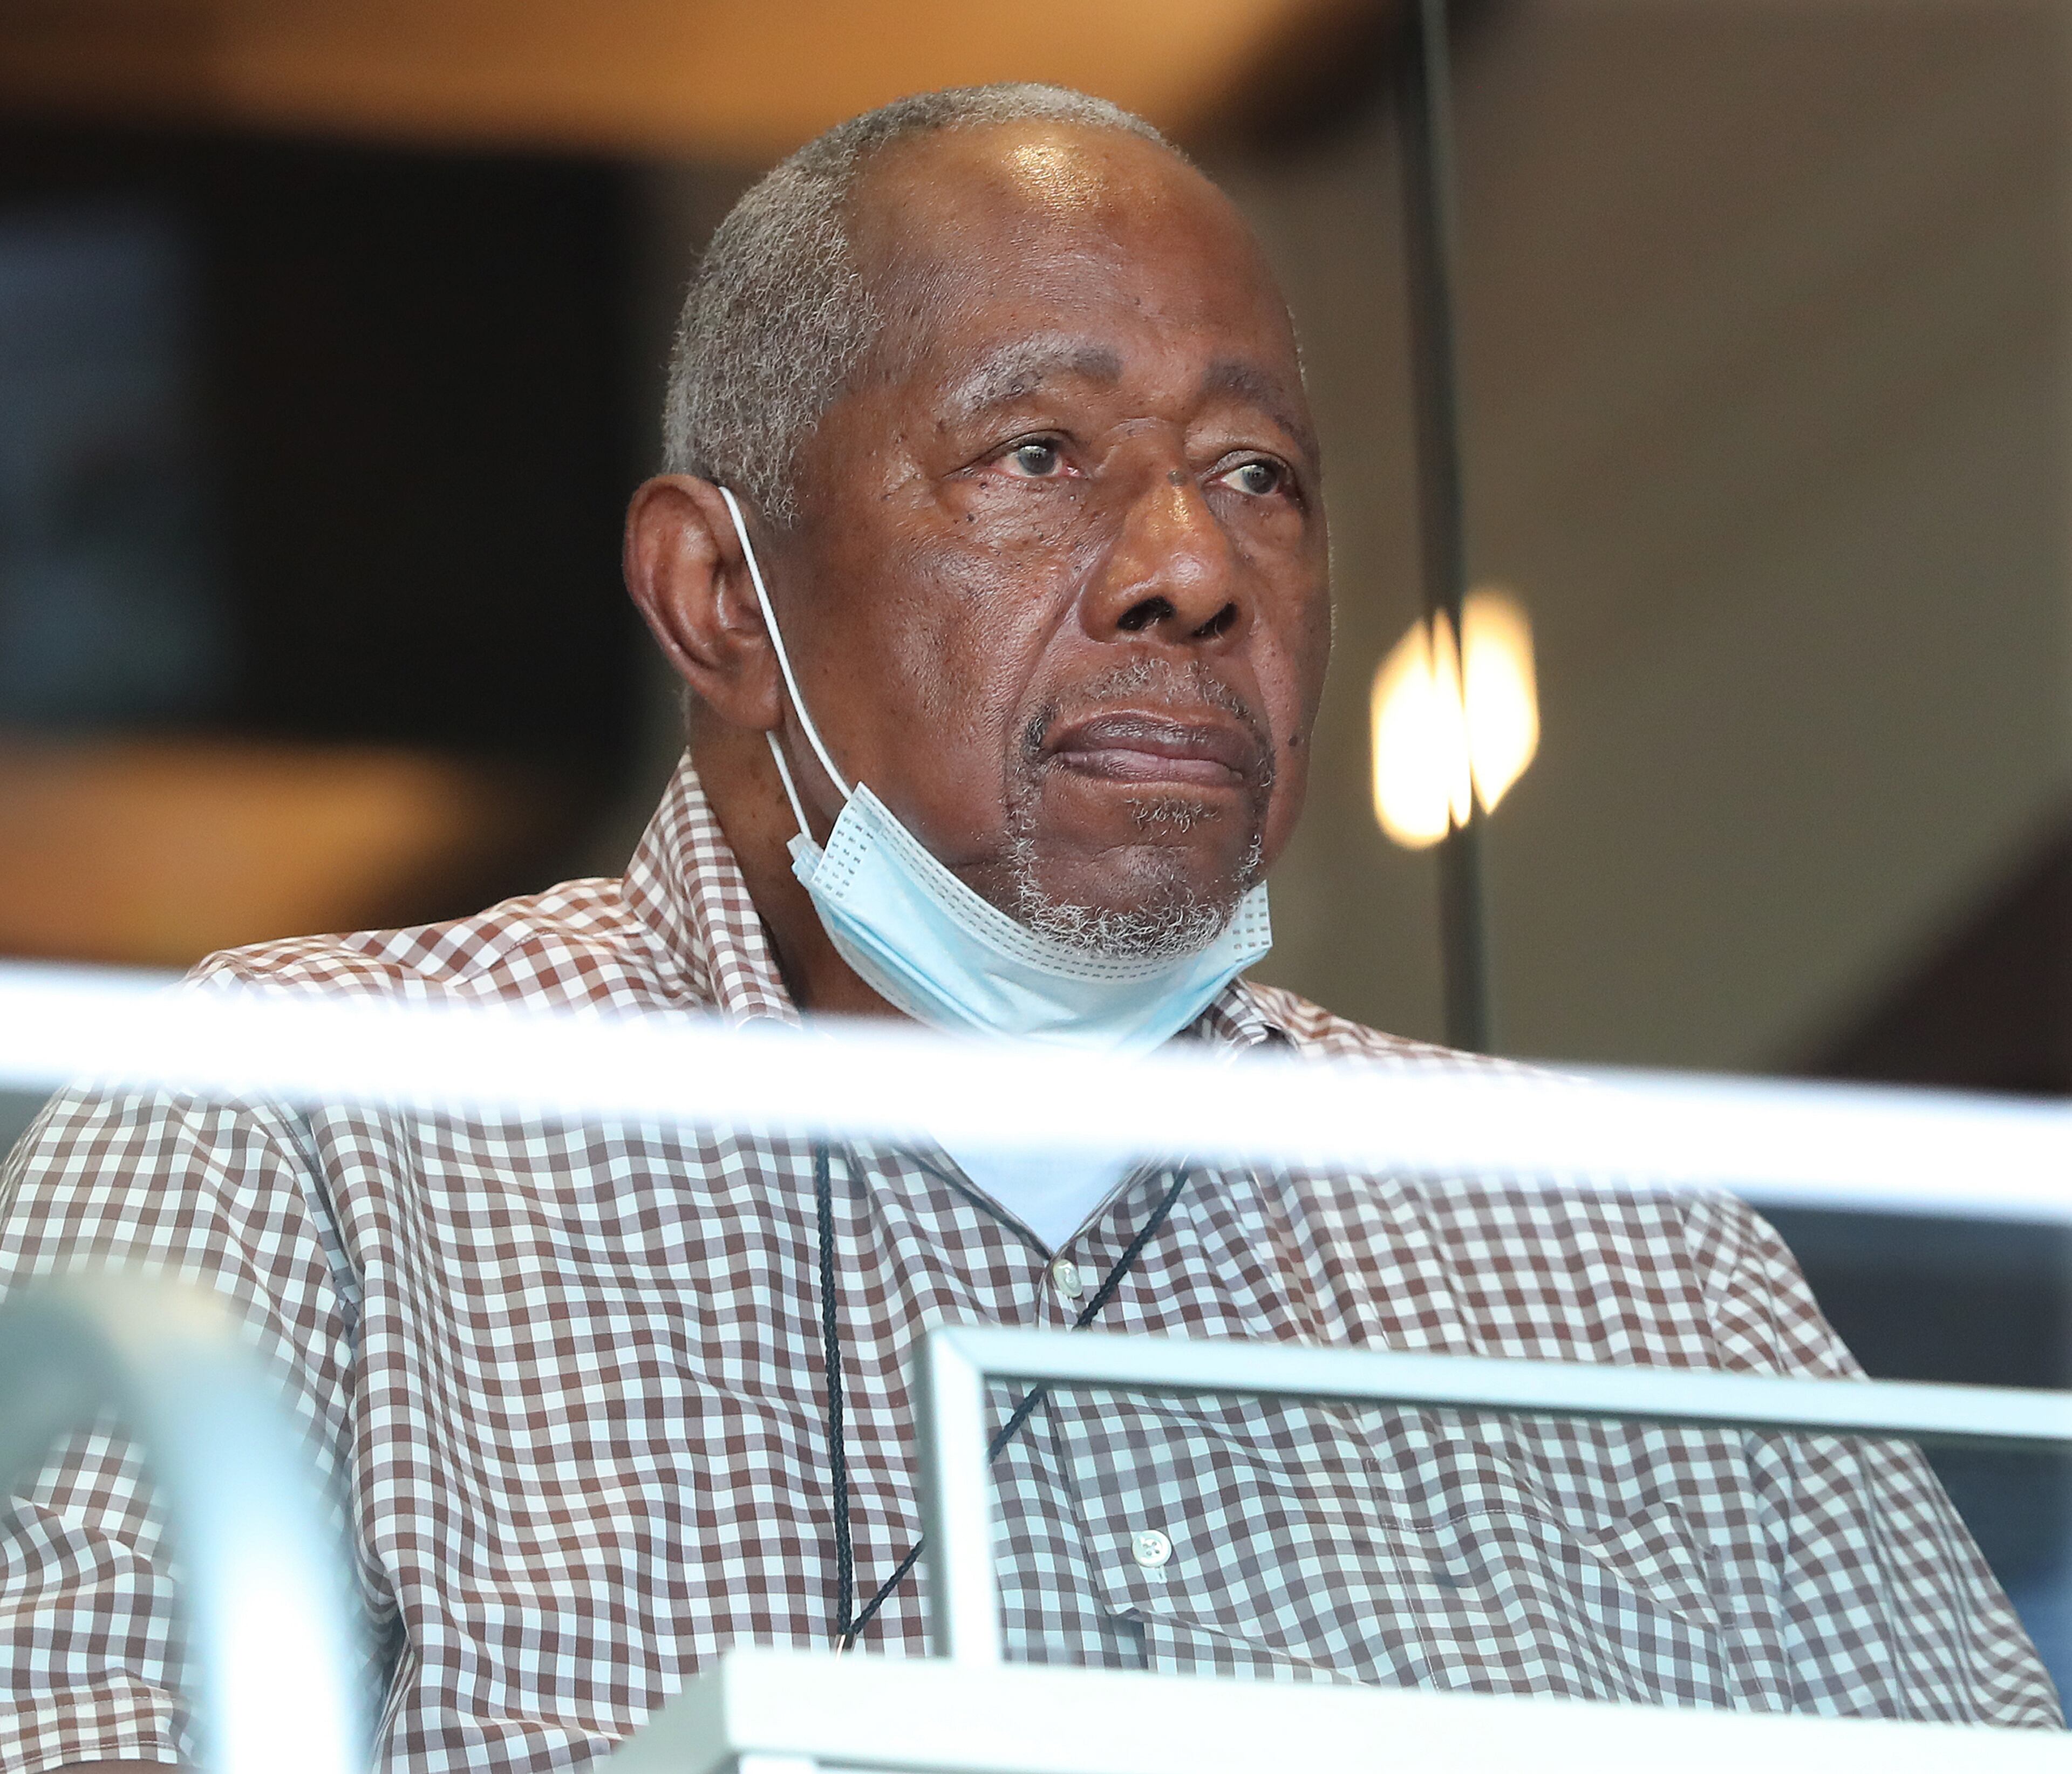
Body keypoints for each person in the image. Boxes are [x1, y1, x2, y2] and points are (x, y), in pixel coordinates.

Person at [0, 85, 2057, 1774]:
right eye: (1042, 456)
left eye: (1260, 476)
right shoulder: (299, 1141)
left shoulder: (1626, 1255)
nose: (1189, 565)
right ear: (723, 599)